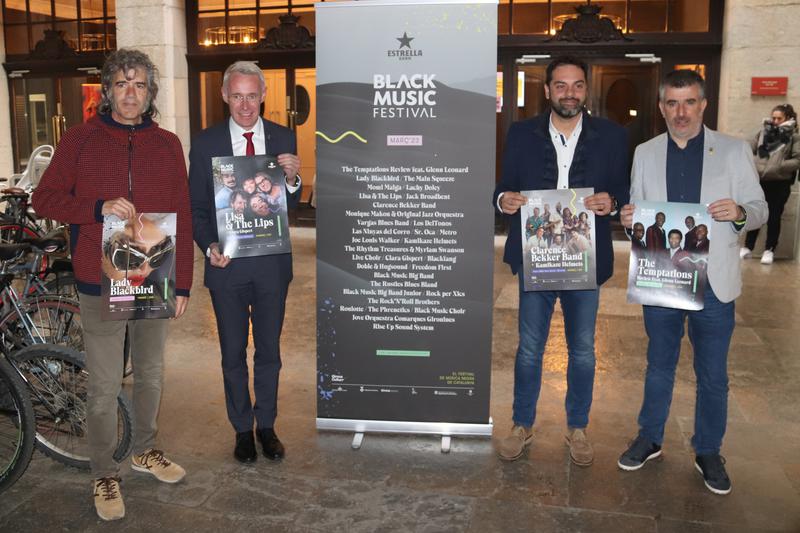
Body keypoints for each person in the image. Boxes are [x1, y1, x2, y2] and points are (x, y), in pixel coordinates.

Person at [31, 48, 193, 521]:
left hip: (153, 273)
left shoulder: (167, 144)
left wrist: (183, 284)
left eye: (140, 84)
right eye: (122, 83)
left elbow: (181, 212)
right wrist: (95, 207)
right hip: (99, 277)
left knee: (151, 373)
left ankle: (144, 449)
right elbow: (45, 198)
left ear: (150, 93)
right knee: (102, 386)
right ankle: (104, 471)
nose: (130, 92)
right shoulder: (80, 140)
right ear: (106, 91)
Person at [617, 69, 767, 495]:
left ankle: (708, 450)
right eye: (672, 103)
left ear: (703, 104)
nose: (680, 112)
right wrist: (629, 221)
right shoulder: (645, 152)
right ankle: (649, 438)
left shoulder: (734, 150)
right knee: (659, 365)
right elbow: (637, 212)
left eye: (689, 102)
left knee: (713, 374)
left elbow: (759, 210)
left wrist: (739, 211)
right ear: (661, 107)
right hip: (662, 277)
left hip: (714, 283)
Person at [493, 55, 629, 467]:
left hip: (584, 261)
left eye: (577, 85)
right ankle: (522, 424)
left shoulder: (612, 135)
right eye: (561, 85)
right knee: (530, 349)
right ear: (548, 89)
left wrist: (613, 201)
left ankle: (578, 427)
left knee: (583, 350)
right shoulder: (521, 133)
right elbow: (503, 187)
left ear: (586, 90)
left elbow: (622, 189)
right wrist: (506, 200)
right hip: (539, 258)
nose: (569, 92)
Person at [188, 60, 301, 465]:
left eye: (252, 95)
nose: (245, 104)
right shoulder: (204, 144)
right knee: (232, 352)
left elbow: (287, 205)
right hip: (227, 265)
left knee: (269, 350)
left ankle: (266, 425)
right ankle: (241, 430)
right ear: (225, 97)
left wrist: (293, 179)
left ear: (263, 95)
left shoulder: (284, 136)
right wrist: (207, 247)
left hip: (271, 265)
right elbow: (197, 208)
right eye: (237, 96)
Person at [741, 104, 800, 264]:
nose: (775, 121)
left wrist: (779, 165)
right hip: (760, 181)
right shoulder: (762, 132)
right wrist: (757, 164)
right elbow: (747, 149)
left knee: (774, 216)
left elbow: (797, 159)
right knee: (755, 214)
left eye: (779, 118)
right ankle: (747, 247)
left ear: (788, 118)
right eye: (773, 117)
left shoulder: (794, 137)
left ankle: (769, 249)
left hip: (780, 183)